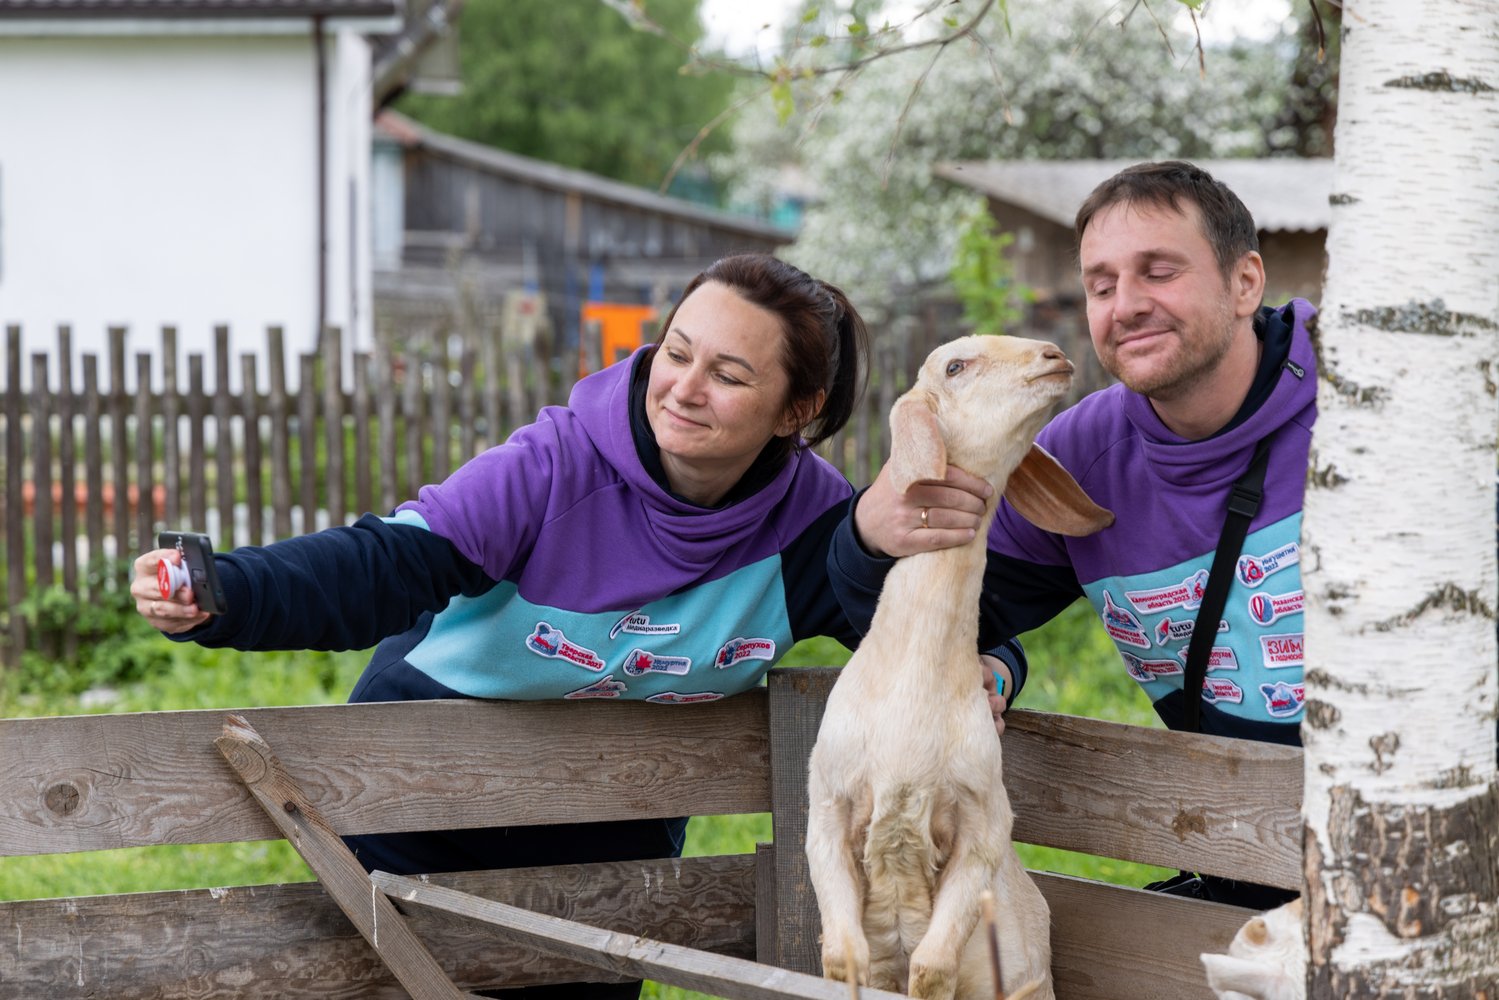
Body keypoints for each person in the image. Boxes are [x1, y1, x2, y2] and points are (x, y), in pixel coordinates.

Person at [132, 252, 1021, 998]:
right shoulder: (552, 467)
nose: (684, 388)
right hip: (422, 808)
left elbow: (912, 625)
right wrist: (228, 591)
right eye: (677, 353)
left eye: (729, 373)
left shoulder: (819, 527)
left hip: (617, 840)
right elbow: (387, 565)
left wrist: (991, 664)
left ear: (796, 411)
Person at [828, 160, 1315, 909]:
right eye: (1101, 284)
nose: (1126, 305)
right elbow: (936, 616)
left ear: (1244, 282)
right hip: (1240, 866)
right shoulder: (1081, 459)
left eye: (1158, 271)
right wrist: (873, 546)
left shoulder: (1378, 407)